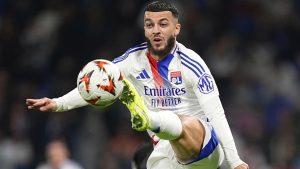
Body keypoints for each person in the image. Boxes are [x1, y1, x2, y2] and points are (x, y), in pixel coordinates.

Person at [26, 1, 249, 169]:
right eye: (150, 24)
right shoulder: (132, 61)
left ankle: (147, 116)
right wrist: (58, 103)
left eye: (163, 24)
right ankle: (148, 119)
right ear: (144, 29)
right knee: (149, 159)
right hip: (165, 152)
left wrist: (235, 161)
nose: (156, 30)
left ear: (177, 29)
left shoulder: (192, 64)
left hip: (204, 146)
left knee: (182, 123)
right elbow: (95, 84)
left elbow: (216, 113)